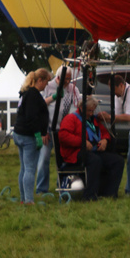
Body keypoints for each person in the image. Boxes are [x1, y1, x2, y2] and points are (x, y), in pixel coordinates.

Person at [57, 96, 124, 199]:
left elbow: (105, 133)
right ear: (81, 108)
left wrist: (105, 140)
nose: (91, 114)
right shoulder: (71, 118)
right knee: (95, 160)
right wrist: (82, 142)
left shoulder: (93, 120)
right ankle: (89, 195)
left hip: (93, 151)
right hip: (75, 153)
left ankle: (109, 193)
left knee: (117, 161)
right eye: (89, 111)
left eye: (93, 111)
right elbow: (63, 136)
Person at [36, 63, 81, 195]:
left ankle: (62, 185)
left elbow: (77, 105)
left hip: (63, 131)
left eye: (69, 79)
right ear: (58, 77)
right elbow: (40, 106)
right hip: (48, 129)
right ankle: (41, 189)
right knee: (44, 158)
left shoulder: (73, 89)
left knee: (63, 159)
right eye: (65, 79)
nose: (67, 82)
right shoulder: (48, 87)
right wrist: (42, 130)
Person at [13, 68, 50, 203]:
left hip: (19, 133)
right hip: (28, 136)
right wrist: (38, 135)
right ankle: (29, 200)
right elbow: (32, 117)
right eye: (46, 82)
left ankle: (24, 198)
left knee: (24, 167)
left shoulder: (26, 92)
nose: (46, 85)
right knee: (30, 169)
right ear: (40, 80)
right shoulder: (33, 95)